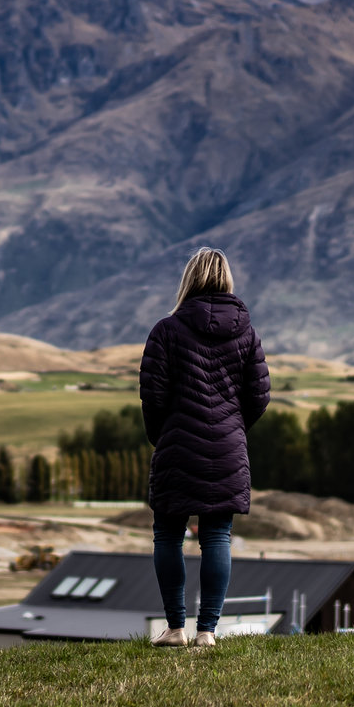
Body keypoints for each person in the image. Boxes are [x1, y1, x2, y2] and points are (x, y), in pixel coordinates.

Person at [137, 247, 269, 647]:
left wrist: (163, 436)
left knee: (167, 535)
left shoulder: (166, 330)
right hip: (227, 446)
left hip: (177, 443)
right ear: (227, 279)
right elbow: (259, 396)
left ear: (188, 280)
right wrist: (232, 427)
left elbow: (152, 396)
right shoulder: (246, 333)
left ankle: (176, 629)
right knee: (217, 536)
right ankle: (207, 632)